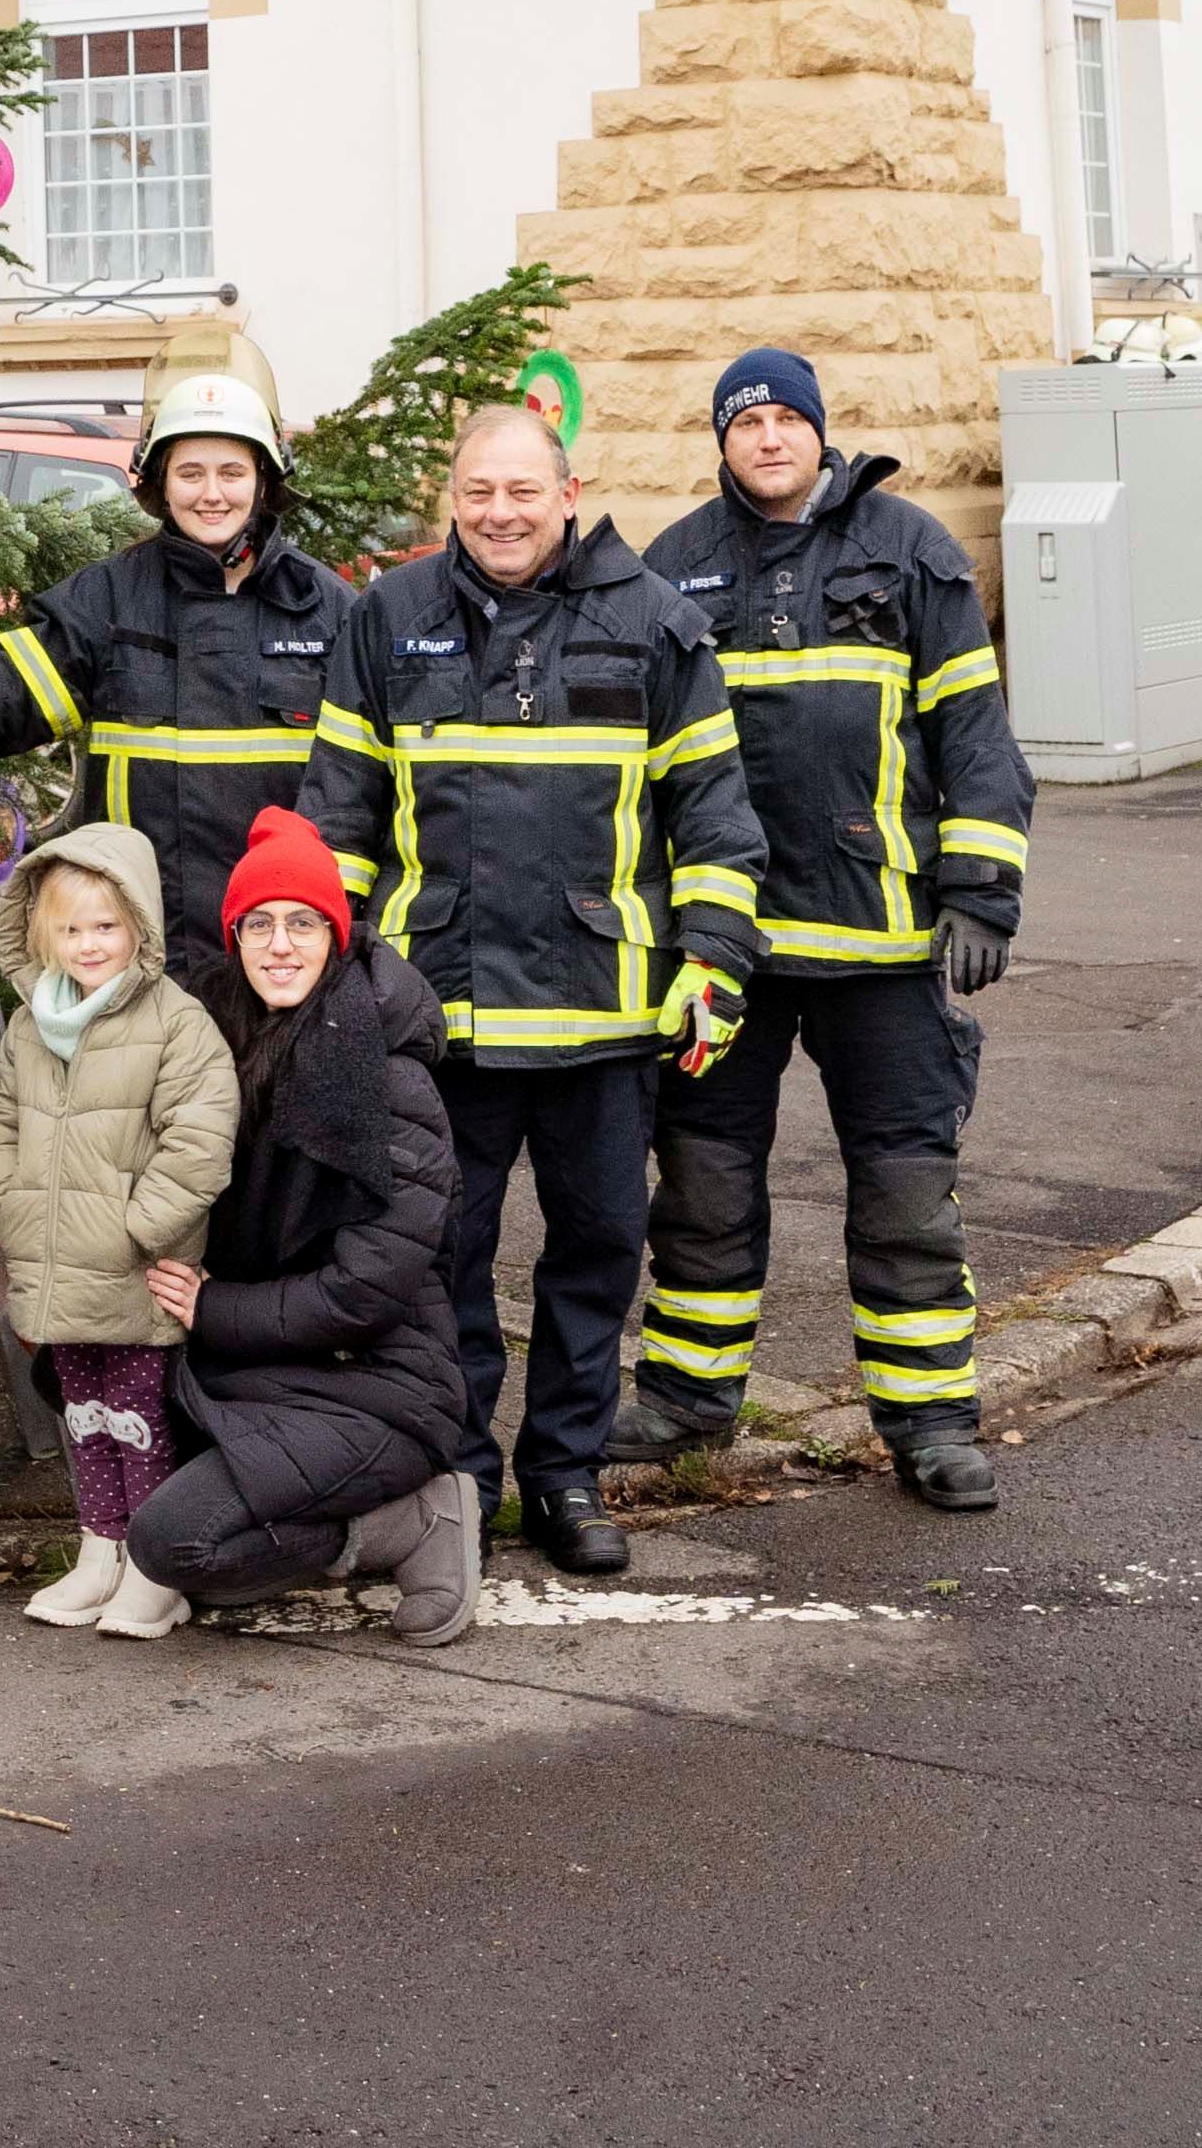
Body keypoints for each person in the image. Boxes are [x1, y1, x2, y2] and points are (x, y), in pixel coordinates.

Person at [305, 400, 766, 1581]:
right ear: (448, 501)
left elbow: (713, 814)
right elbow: (341, 812)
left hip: (603, 1021)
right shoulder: (389, 619)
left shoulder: (656, 623)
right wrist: (332, 980)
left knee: (597, 1250)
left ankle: (565, 1474)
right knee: (441, 1259)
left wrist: (713, 958)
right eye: (476, 494)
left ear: (569, 494)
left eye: (522, 492)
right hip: (437, 1021)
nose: (499, 514)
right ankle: (460, 1473)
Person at [622, 347, 1037, 1507]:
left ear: (820, 431)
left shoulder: (910, 548)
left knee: (906, 1187)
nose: (765, 437)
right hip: (728, 948)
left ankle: (930, 1421)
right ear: (721, 442)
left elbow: (975, 732)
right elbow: (640, 765)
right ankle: (690, 1397)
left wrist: (981, 891)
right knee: (701, 1178)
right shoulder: (677, 565)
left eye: (783, 418)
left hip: (884, 945)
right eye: (743, 420)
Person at [124, 806, 479, 1639]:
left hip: (379, 1384)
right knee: (109, 1424)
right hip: (258, 1369)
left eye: (303, 924)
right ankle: (339, 1515)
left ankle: (415, 1521)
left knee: (174, 1546)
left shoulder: (386, 1077)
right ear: (235, 937)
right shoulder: (218, 1043)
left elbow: (368, 1288)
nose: (280, 946)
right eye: (260, 925)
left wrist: (215, 1310)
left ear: (336, 936)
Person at [0, 368, 355, 975]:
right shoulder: (111, 597)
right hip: (147, 945)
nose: (211, 494)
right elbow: (8, 691)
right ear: (160, 485)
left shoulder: (328, 609)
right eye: (190, 473)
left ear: (264, 481)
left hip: (277, 950)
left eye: (232, 473)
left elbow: (363, 786)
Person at [0, 821, 237, 1638]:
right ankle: (101, 1550)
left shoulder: (174, 1021)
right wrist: (6, 1203)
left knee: (138, 1416)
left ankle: (154, 1570)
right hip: (53, 1260)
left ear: (139, 928)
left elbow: (200, 1134)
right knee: (80, 1409)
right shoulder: (31, 1025)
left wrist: (139, 1227)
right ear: (42, 934)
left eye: (106, 927)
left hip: (130, 1265)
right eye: (72, 929)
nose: (89, 945)